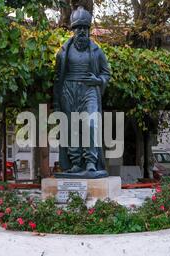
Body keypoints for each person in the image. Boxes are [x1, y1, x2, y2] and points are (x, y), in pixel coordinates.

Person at [53, 6, 111, 177]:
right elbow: (57, 77)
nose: (81, 32)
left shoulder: (96, 50)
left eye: (84, 28)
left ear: (88, 30)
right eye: (78, 28)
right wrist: (57, 101)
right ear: (73, 30)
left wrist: (98, 81)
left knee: (90, 124)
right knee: (72, 127)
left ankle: (91, 161)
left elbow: (106, 72)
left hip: (89, 90)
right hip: (68, 90)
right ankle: (76, 163)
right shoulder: (63, 51)